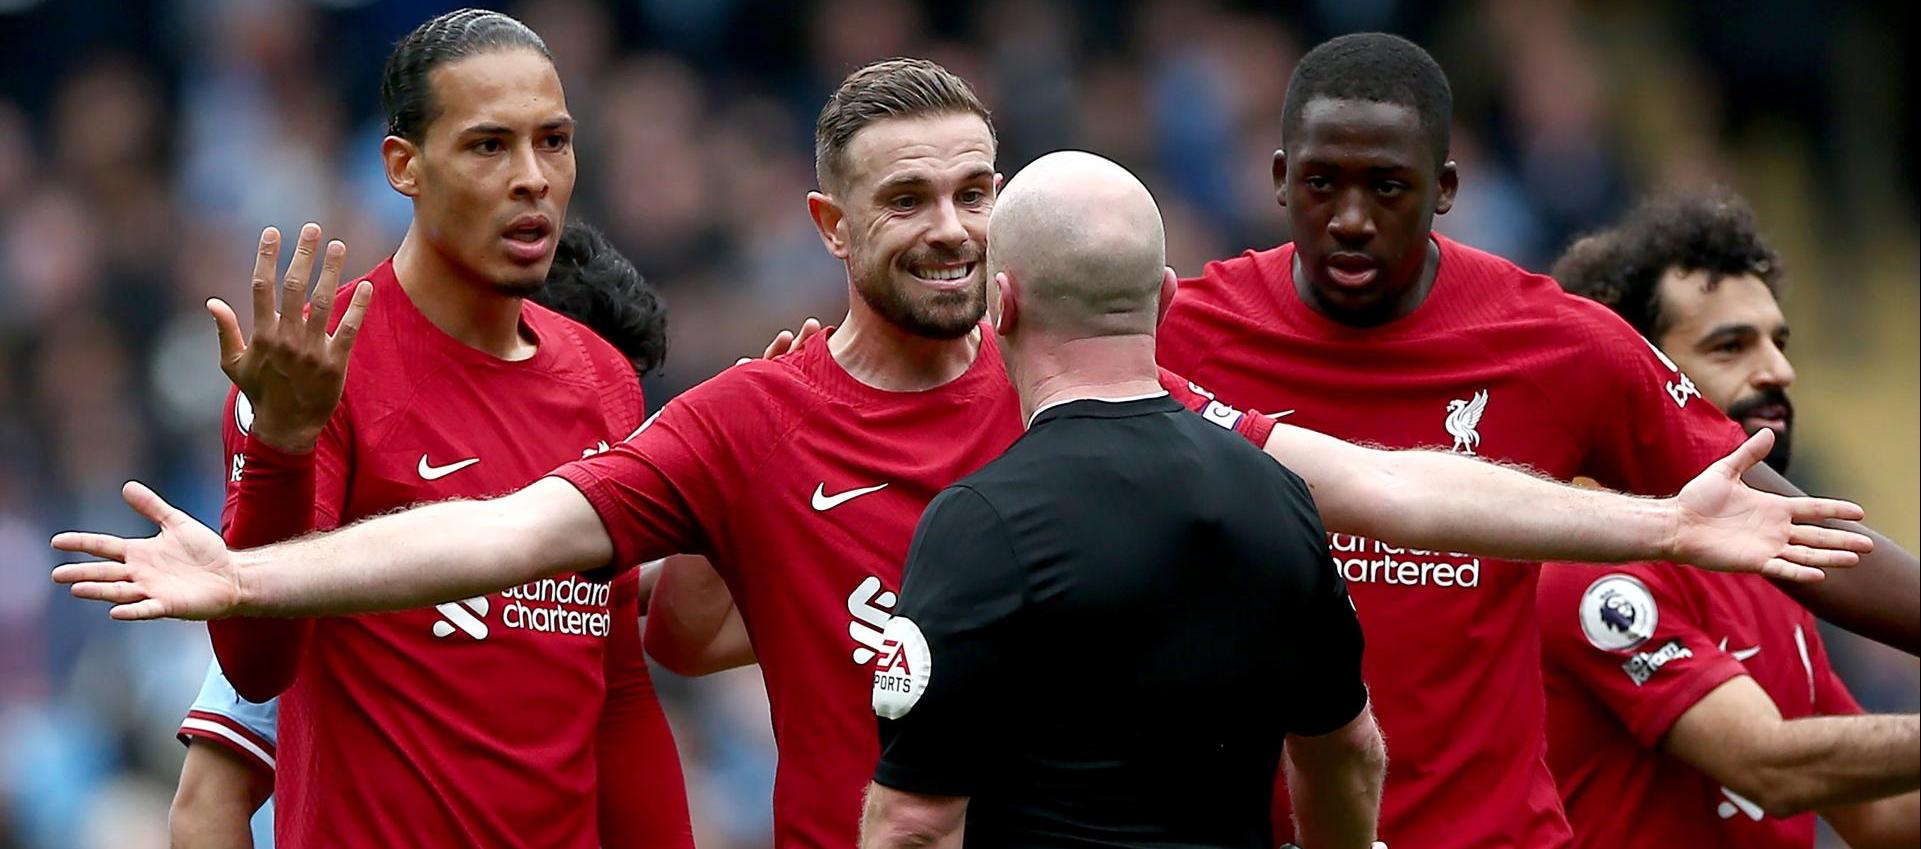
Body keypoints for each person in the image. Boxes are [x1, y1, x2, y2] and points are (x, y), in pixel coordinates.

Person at [50, 59, 1870, 849]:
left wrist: (1656, 519)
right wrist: (253, 563)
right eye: (907, 197)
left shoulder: (1074, 388)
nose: (946, 225)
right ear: (830, 222)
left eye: (972, 192)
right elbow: (505, 535)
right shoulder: (752, 418)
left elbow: (1373, 474)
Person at [1152, 32, 1916, 849]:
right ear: (1277, 177)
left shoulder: (1555, 344)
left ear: (1444, 188)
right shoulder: (1189, 335)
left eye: (1386, 188)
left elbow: (1794, 529)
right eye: (1319, 183)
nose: (1349, 219)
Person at [157, 10, 691, 849]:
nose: (533, 178)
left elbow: (618, 685)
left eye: (553, 141)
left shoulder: (605, 381)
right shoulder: (317, 371)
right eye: (489, 145)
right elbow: (256, 669)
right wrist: (284, 445)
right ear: (404, 166)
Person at [859, 151, 1385, 849]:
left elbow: (914, 826)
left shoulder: (982, 521)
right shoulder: (1277, 496)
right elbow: (1347, 753)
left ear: (1001, 302)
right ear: (1165, 297)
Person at [1537, 189, 1920, 848]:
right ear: (1638, 375)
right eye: (1729, 346)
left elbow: (1878, 818)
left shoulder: (1777, 568)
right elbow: (1768, 763)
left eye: (1777, 341)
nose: (1778, 369)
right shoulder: (1592, 563)